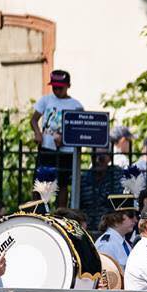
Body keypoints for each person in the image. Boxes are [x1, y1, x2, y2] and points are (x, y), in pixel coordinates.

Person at [30, 70, 83, 207]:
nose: (57, 90)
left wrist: (64, 138)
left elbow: (79, 129)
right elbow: (34, 120)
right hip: (47, 147)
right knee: (40, 181)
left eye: (60, 87)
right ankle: (37, 210)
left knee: (62, 183)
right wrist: (38, 133)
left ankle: (60, 213)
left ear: (68, 86)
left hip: (66, 150)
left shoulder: (75, 105)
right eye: (54, 87)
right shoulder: (46, 100)